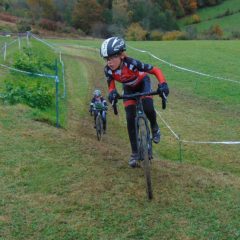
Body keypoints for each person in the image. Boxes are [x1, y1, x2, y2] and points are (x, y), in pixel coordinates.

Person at [100, 37, 169, 168]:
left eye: (112, 58)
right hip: (128, 88)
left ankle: (154, 127)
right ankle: (135, 153)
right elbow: (111, 86)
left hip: (143, 83)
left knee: (148, 107)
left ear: (121, 55)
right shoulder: (108, 70)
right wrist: (112, 93)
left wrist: (163, 84)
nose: (109, 62)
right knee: (130, 119)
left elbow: (155, 70)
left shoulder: (132, 63)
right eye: (106, 59)